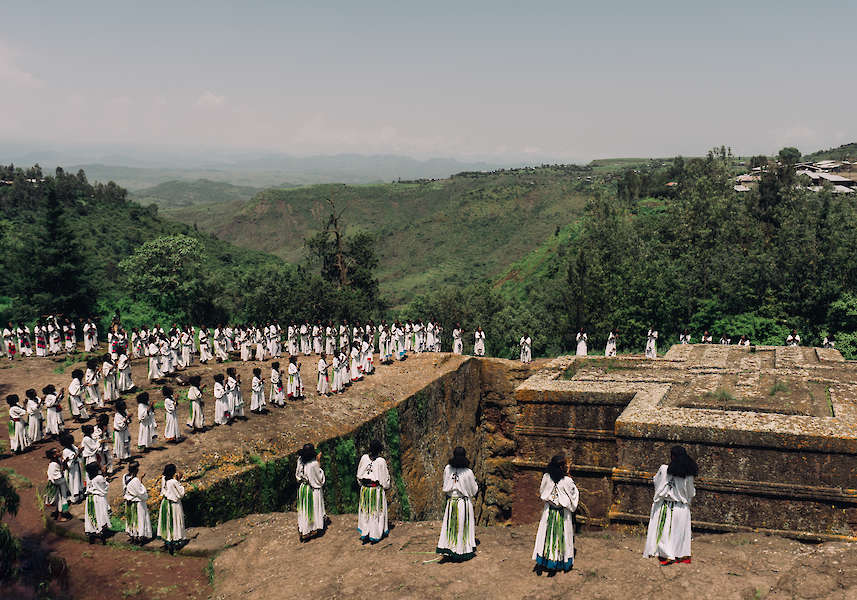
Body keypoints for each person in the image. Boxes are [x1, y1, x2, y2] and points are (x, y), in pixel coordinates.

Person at [643, 446, 697, 565]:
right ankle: (679, 554)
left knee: (665, 531)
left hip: (666, 506)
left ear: (672, 456)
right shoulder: (689, 475)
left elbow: (656, 482)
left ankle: (667, 554)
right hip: (682, 507)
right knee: (679, 532)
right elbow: (690, 493)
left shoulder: (664, 469)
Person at [532, 454, 579, 575]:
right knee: (562, 536)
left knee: (547, 534)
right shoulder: (567, 481)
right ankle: (559, 562)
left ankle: (546, 560)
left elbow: (542, 491)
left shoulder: (547, 477)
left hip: (549, 510)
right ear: (562, 467)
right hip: (563, 514)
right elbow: (574, 495)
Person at [436, 447, 478, 562]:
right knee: (462, 526)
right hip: (463, 503)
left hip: (451, 501)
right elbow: (473, 490)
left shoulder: (448, 468)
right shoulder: (468, 472)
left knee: (450, 526)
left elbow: (445, 482)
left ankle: (450, 547)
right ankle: (461, 550)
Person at [357, 440, 391, 543]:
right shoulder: (381, 461)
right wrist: (386, 486)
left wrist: (362, 484)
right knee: (376, 512)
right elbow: (385, 479)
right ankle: (375, 534)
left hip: (365, 489)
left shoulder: (364, 458)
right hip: (375, 491)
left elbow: (359, 474)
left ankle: (365, 532)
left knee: (366, 511)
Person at [296, 443, 327, 542]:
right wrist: (318, 462)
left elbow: (297, 475)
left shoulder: (300, 461)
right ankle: (311, 529)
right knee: (312, 509)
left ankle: (304, 530)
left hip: (303, 487)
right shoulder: (313, 464)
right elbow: (319, 480)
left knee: (305, 510)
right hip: (312, 490)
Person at [157, 463, 187, 554]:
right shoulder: (174, 482)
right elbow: (181, 493)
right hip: (174, 504)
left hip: (165, 503)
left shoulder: (164, 479)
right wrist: (179, 481)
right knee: (175, 522)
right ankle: (174, 541)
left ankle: (167, 540)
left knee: (167, 522)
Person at [123, 462, 152, 545]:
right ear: (136, 470)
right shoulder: (135, 480)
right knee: (140, 520)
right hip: (138, 503)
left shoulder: (125, 477)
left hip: (129, 502)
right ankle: (140, 537)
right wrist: (141, 482)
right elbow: (141, 493)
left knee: (132, 520)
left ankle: (133, 536)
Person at [84, 462, 110, 544]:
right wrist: (104, 474)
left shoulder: (89, 477)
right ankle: (101, 534)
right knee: (100, 515)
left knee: (92, 515)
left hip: (90, 498)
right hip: (98, 499)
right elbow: (104, 488)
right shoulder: (99, 478)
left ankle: (92, 533)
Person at [45, 448, 72, 522]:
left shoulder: (58, 460)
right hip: (58, 484)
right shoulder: (53, 465)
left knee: (61, 500)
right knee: (61, 500)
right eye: (58, 452)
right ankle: (60, 516)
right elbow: (55, 477)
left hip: (61, 483)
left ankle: (58, 512)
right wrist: (62, 480)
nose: (60, 452)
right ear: (54, 455)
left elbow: (63, 468)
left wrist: (65, 462)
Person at [59, 433, 84, 503]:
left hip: (76, 467)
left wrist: (79, 452)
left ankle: (80, 494)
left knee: (78, 480)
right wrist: (79, 453)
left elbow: (77, 453)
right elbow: (71, 459)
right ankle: (74, 498)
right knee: (73, 482)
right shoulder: (65, 451)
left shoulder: (73, 447)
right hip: (71, 470)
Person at [113, 400, 131, 464]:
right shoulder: (117, 415)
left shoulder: (124, 413)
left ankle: (126, 457)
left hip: (125, 431)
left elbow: (128, 422)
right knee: (120, 445)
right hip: (119, 433)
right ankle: (121, 458)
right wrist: (127, 418)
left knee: (126, 444)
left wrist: (128, 418)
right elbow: (121, 425)